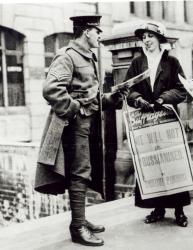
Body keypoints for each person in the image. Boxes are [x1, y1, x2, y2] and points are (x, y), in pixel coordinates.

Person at [34, 15, 128, 246]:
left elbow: (89, 96)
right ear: (87, 31)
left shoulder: (87, 56)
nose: (99, 35)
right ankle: (77, 227)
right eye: (97, 31)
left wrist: (111, 98)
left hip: (89, 125)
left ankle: (81, 219)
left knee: (84, 170)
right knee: (79, 172)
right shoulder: (67, 56)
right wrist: (74, 109)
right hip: (74, 125)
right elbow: (51, 89)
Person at [125, 21, 189, 227]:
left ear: (159, 39)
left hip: (168, 118)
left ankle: (179, 211)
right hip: (146, 120)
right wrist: (137, 99)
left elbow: (182, 89)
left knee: (173, 162)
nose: (146, 40)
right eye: (143, 37)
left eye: (150, 37)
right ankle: (158, 208)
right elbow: (128, 89)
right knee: (151, 163)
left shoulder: (172, 62)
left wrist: (163, 99)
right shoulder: (137, 63)